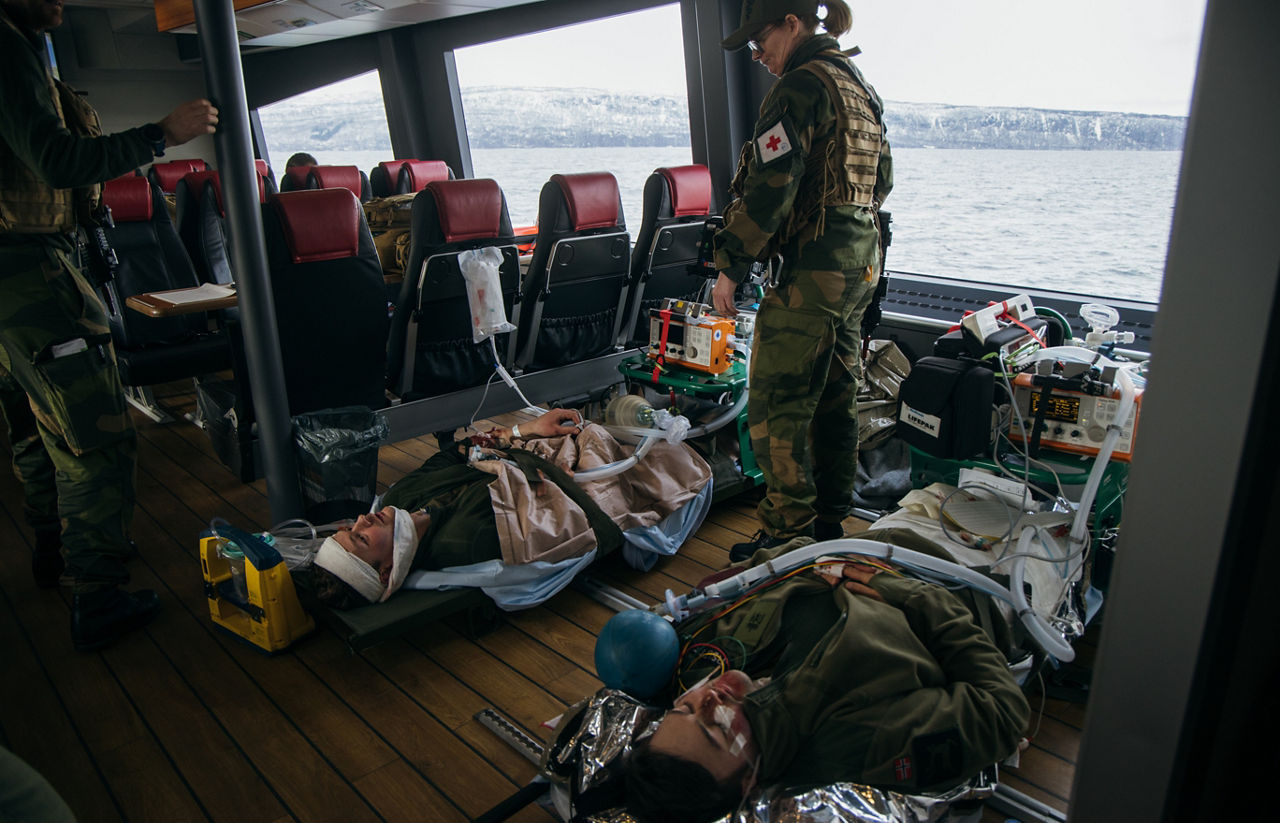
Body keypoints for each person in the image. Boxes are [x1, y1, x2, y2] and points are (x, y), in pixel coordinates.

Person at [1, 0, 217, 650]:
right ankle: (98, 594)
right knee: (94, 436)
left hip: (13, 278)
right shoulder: (8, 47)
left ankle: (52, 548)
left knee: (34, 426)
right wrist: (162, 134)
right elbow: (59, 162)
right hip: (30, 274)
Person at [623, 548, 1030, 823]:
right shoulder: (855, 739)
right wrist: (917, 597)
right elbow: (1002, 711)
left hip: (877, 538)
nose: (710, 698)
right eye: (714, 729)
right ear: (748, 782)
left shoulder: (710, 662)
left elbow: (766, 572)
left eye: (686, 709)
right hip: (961, 572)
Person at [709, 0, 893, 561]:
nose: (756, 53)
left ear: (792, 24)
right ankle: (829, 521)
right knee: (835, 400)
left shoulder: (799, 87)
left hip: (812, 274)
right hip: (859, 264)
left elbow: (770, 191)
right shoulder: (856, 83)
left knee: (776, 406)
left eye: (760, 39)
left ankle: (787, 537)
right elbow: (882, 180)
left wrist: (729, 266)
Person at [296, 407, 712, 608]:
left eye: (350, 527)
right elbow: (572, 517)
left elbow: (453, 455)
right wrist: (552, 450)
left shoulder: (402, 499)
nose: (364, 518)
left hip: (536, 454)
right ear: (387, 570)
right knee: (666, 459)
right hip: (568, 477)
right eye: (362, 537)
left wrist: (524, 429)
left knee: (592, 423)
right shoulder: (472, 540)